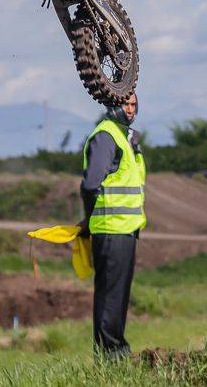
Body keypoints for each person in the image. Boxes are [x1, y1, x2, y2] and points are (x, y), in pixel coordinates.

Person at [81, 90, 145, 359]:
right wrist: (88, 220)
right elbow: (90, 185)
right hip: (110, 229)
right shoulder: (106, 136)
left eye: (134, 104)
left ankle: (117, 350)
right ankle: (109, 355)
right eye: (125, 103)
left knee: (119, 295)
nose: (130, 109)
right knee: (110, 296)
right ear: (112, 103)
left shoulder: (126, 138)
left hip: (126, 230)